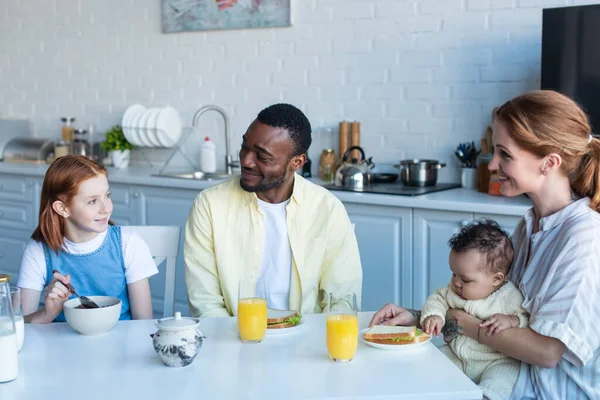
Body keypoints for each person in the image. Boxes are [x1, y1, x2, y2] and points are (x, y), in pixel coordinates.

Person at [370, 90, 600, 399]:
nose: (492, 165)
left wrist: (459, 321)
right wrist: (420, 316)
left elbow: (547, 352)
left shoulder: (583, 239)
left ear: (549, 162)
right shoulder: (529, 224)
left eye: (505, 154)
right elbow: (494, 308)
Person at [184, 103, 362, 317]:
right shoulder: (210, 205)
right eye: (244, 147)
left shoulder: (327, 209)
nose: (246, 161)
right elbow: (205, 302)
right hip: (233, 338)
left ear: (297, 162)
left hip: (305, 340)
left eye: (263, 157)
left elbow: (342, 299)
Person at [18, 155, 158, 323]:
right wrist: (48, 313)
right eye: (92, 201)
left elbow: (143, 322)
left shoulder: (129, 244)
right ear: (62, 208)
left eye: (107, 195)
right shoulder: (38, 251)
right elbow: (17, 325)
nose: (106, 208)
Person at [421, 219, 528, 400]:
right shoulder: (454, 290)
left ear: (496, 279)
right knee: (429, 367)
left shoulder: (509, 297)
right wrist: (434, 315)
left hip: (496, 361)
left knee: (500, 382)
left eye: (465, 279)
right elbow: (437, 299)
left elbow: (527, 318)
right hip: (458, 355)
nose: (456, 282)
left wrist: (513, 320)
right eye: (453, 273)